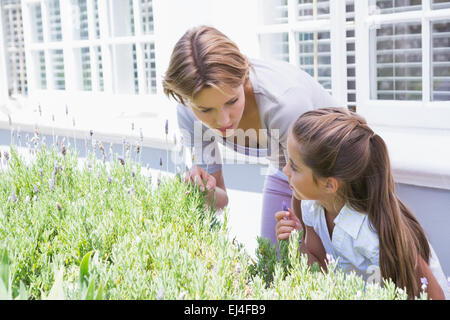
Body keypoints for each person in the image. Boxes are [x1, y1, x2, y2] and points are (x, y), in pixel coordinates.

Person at [162, 25, 338, 246]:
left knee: (328, 263)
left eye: (232, 101)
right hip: (287, 169)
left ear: (244, 77)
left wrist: (309, 238)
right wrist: (203, 192)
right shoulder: (189, 113)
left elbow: (322, 185)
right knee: (271, 264)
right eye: (206, 110)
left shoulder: (284, 105)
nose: (224, 121)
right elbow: (221, 199)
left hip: (337, 171)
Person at [275, 107, 449, 300]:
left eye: (295, 166)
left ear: (330, 184)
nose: (285, 170)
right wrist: (296, 243)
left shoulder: (372, 233)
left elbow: (435, 296)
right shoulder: (311, 205)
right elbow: (321, 269)